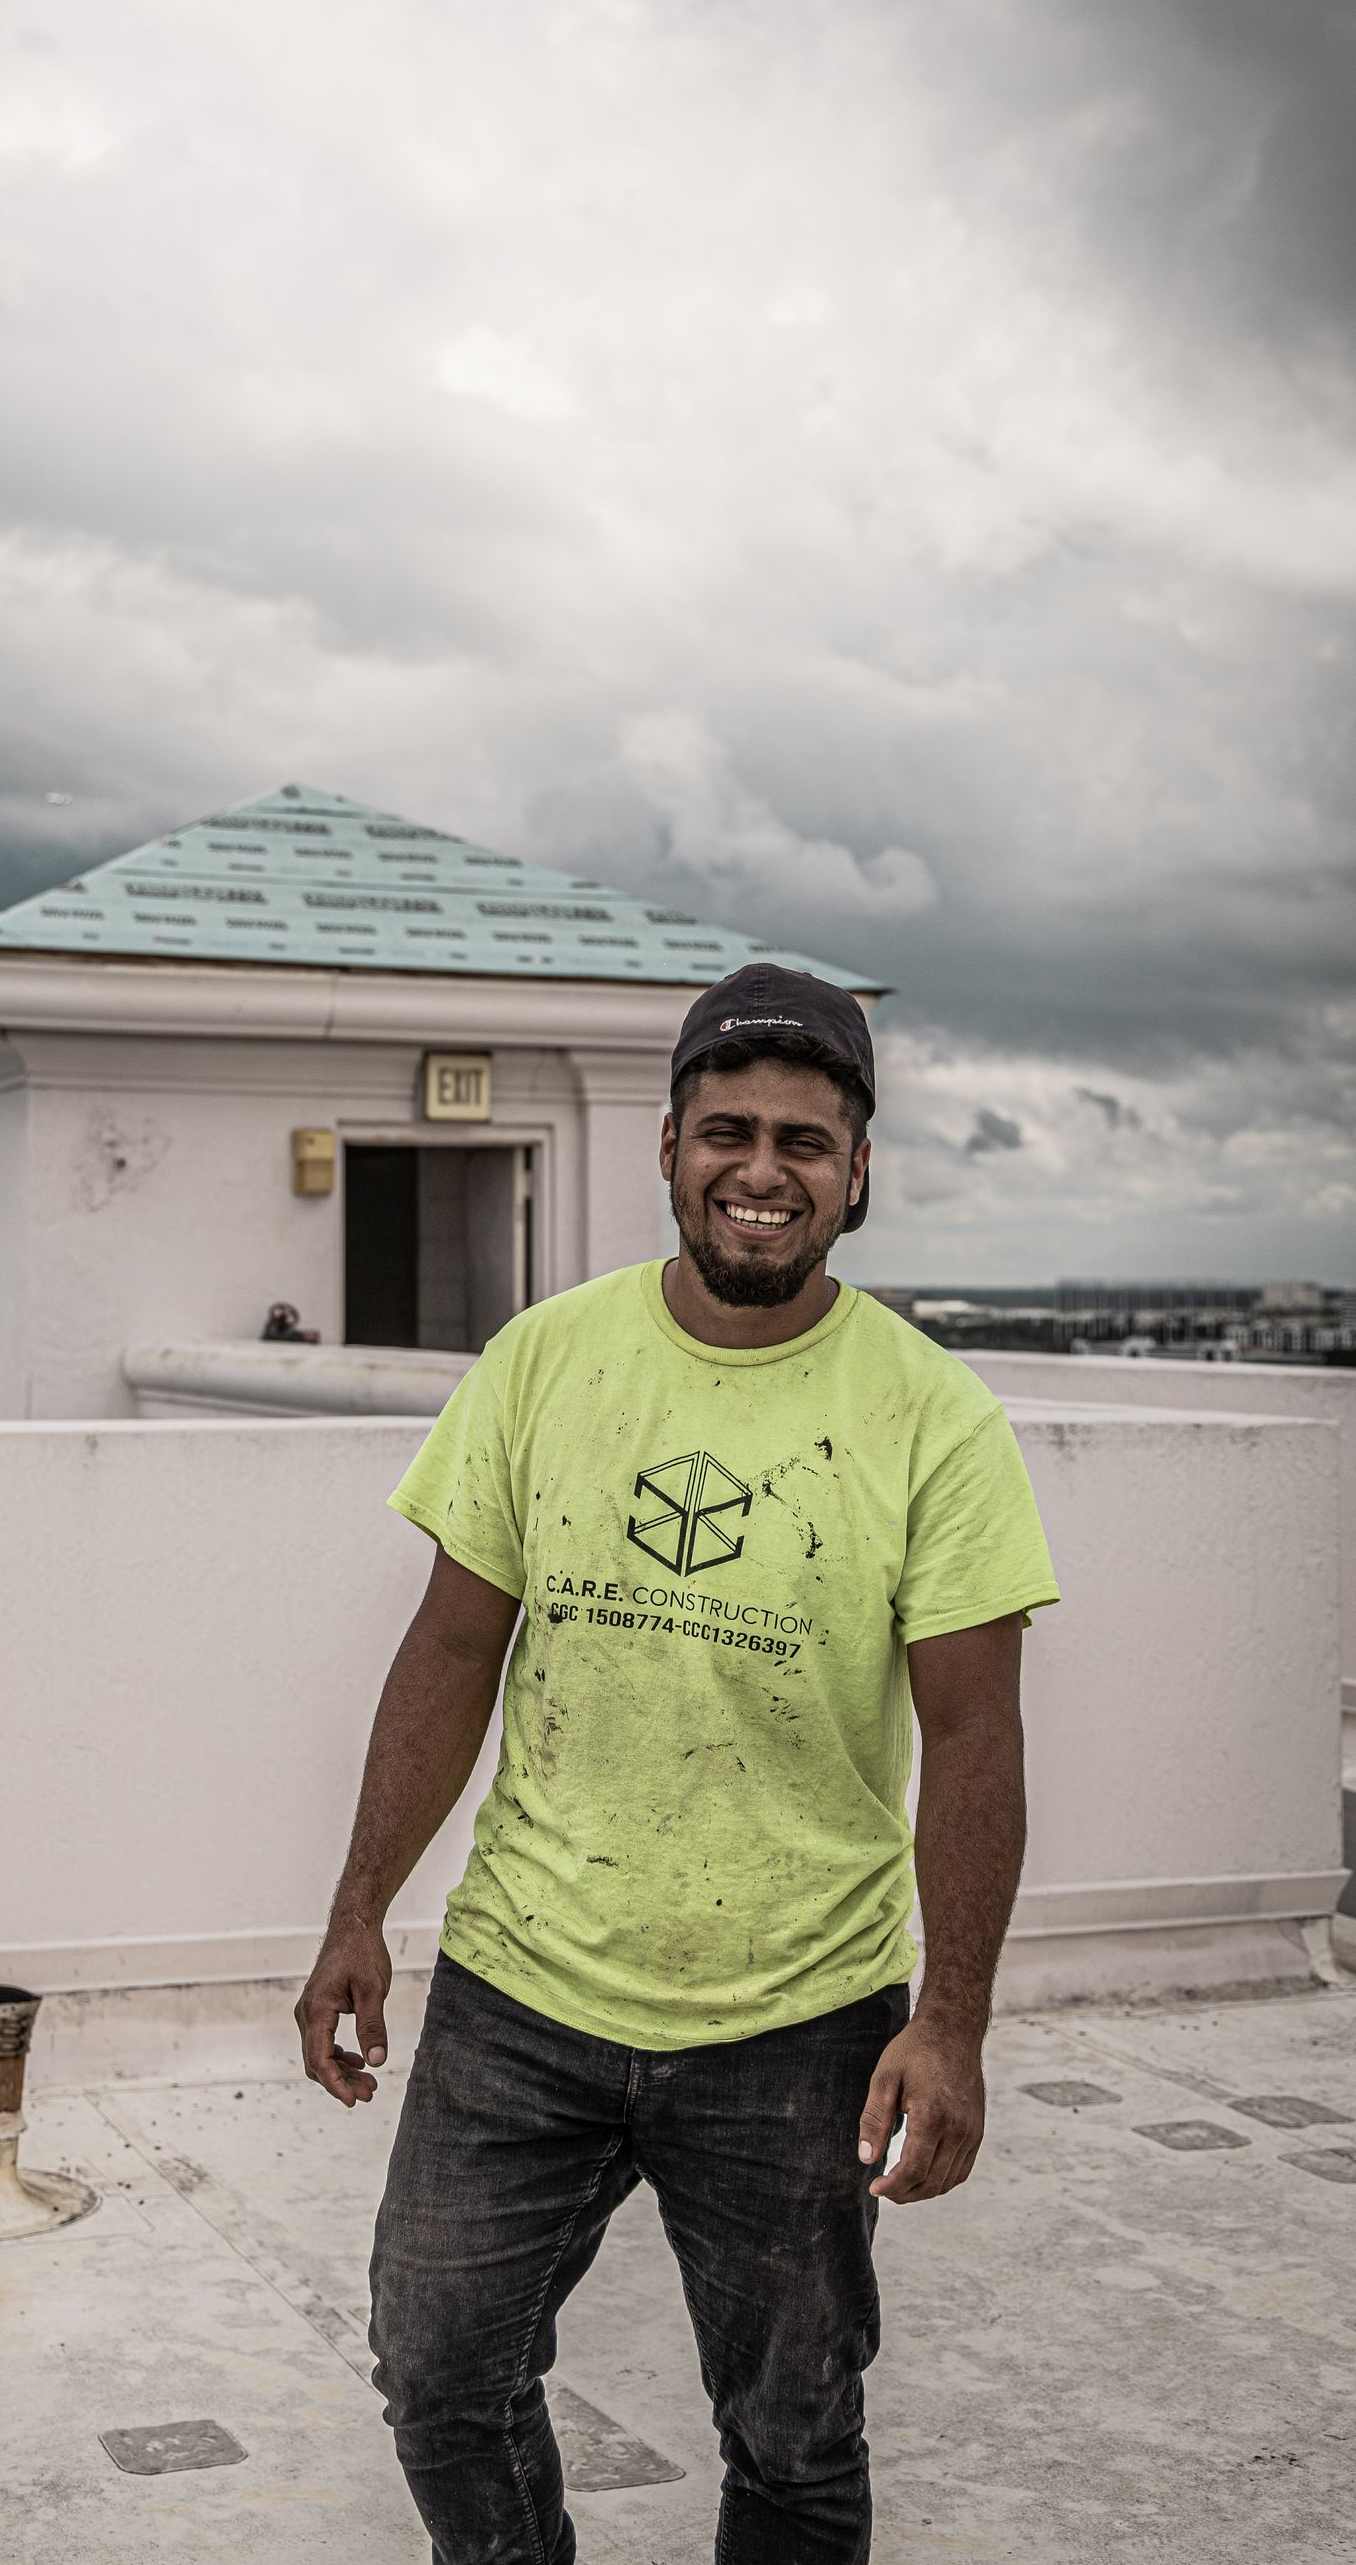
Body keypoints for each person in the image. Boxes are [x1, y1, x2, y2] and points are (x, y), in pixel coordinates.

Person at [295, 961, 1057, 2563]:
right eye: (728, 1131)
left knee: (790, 2434)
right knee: (436, 2370)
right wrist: (360, 1906)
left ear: (860, 1173)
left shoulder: (936, 1419)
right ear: (666, 1148)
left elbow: (977, 1737)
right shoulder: (543, 1361)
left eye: (804, 1140)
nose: (762, 1171)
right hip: (522, 1987)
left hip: (797, 2017)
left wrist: (956, 2023)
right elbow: (452, 1653)